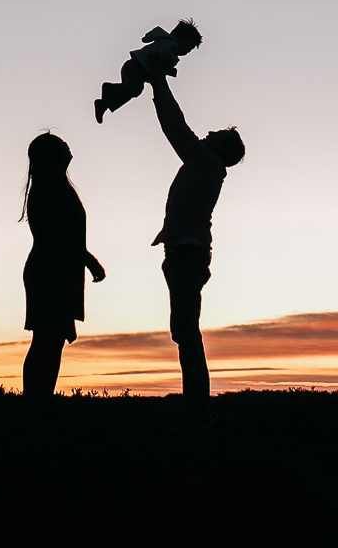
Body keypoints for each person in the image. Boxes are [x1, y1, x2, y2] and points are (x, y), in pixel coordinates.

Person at [146, 71, 244, 427]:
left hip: (187, 255)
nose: (209, 134)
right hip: (183, 253)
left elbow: (176, 127)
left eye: (216, 135)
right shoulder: (203, 165)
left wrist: (158, 84)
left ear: (220, 149)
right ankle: (197, 409)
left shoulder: (205, 163)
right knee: (184, 332)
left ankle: (198, 412)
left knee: (185, 332)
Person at [19, 132, 106, 399]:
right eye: (61, 145)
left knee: (49, 338)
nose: (68, 147)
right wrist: (90, 262)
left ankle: (38, 397)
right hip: (51, 270)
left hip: (56, 268)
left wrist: (86, 261)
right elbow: (59, 236)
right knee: (49, 338)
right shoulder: (50, 187)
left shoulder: (52, 185)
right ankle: (37, 398)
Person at [95, 20, 202, 122]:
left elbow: (158, 59)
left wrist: (168, 70)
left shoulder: (165, 43)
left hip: (133, 67)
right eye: (189, 47)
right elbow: (164, 55)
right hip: (136, 67)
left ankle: (104, 104)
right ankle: (109, 88)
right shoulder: (171, 43)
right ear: (180, 37)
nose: (188, 51)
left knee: (133, 91)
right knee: (135, 88)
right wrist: (171, 64)